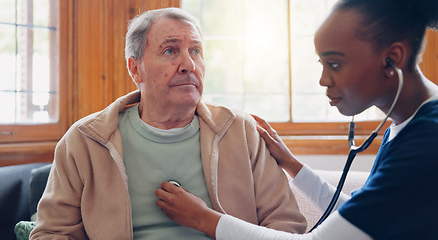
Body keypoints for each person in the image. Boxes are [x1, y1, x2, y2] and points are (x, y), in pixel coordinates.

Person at [155, 0, 438, 239]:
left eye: (335, 64)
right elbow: (361, 216)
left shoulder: (426, 143)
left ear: (393, 58)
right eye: (322, 64)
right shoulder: (406, 122)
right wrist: (291, 164)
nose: (324, 80)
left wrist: (205, 219)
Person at [29, 7, 307, 239]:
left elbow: (286, 224)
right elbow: (52, 233)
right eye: (171, 51)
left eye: (195, 50)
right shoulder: (84, 140)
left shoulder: (241, 131)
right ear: (135, 68)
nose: (189, 64)